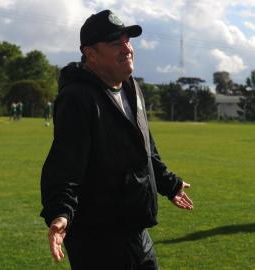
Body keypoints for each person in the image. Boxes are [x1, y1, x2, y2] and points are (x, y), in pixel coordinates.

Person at [40, 10, 193, 270]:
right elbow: (66, 161)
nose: (127, 49)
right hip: (97, 237)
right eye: (115, 43)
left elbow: (144, 147)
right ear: (90, 54)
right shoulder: (77, 98)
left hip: (134, 229)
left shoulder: (131, 87)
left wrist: (169, 184)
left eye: (127, 41)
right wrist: (60, 211)